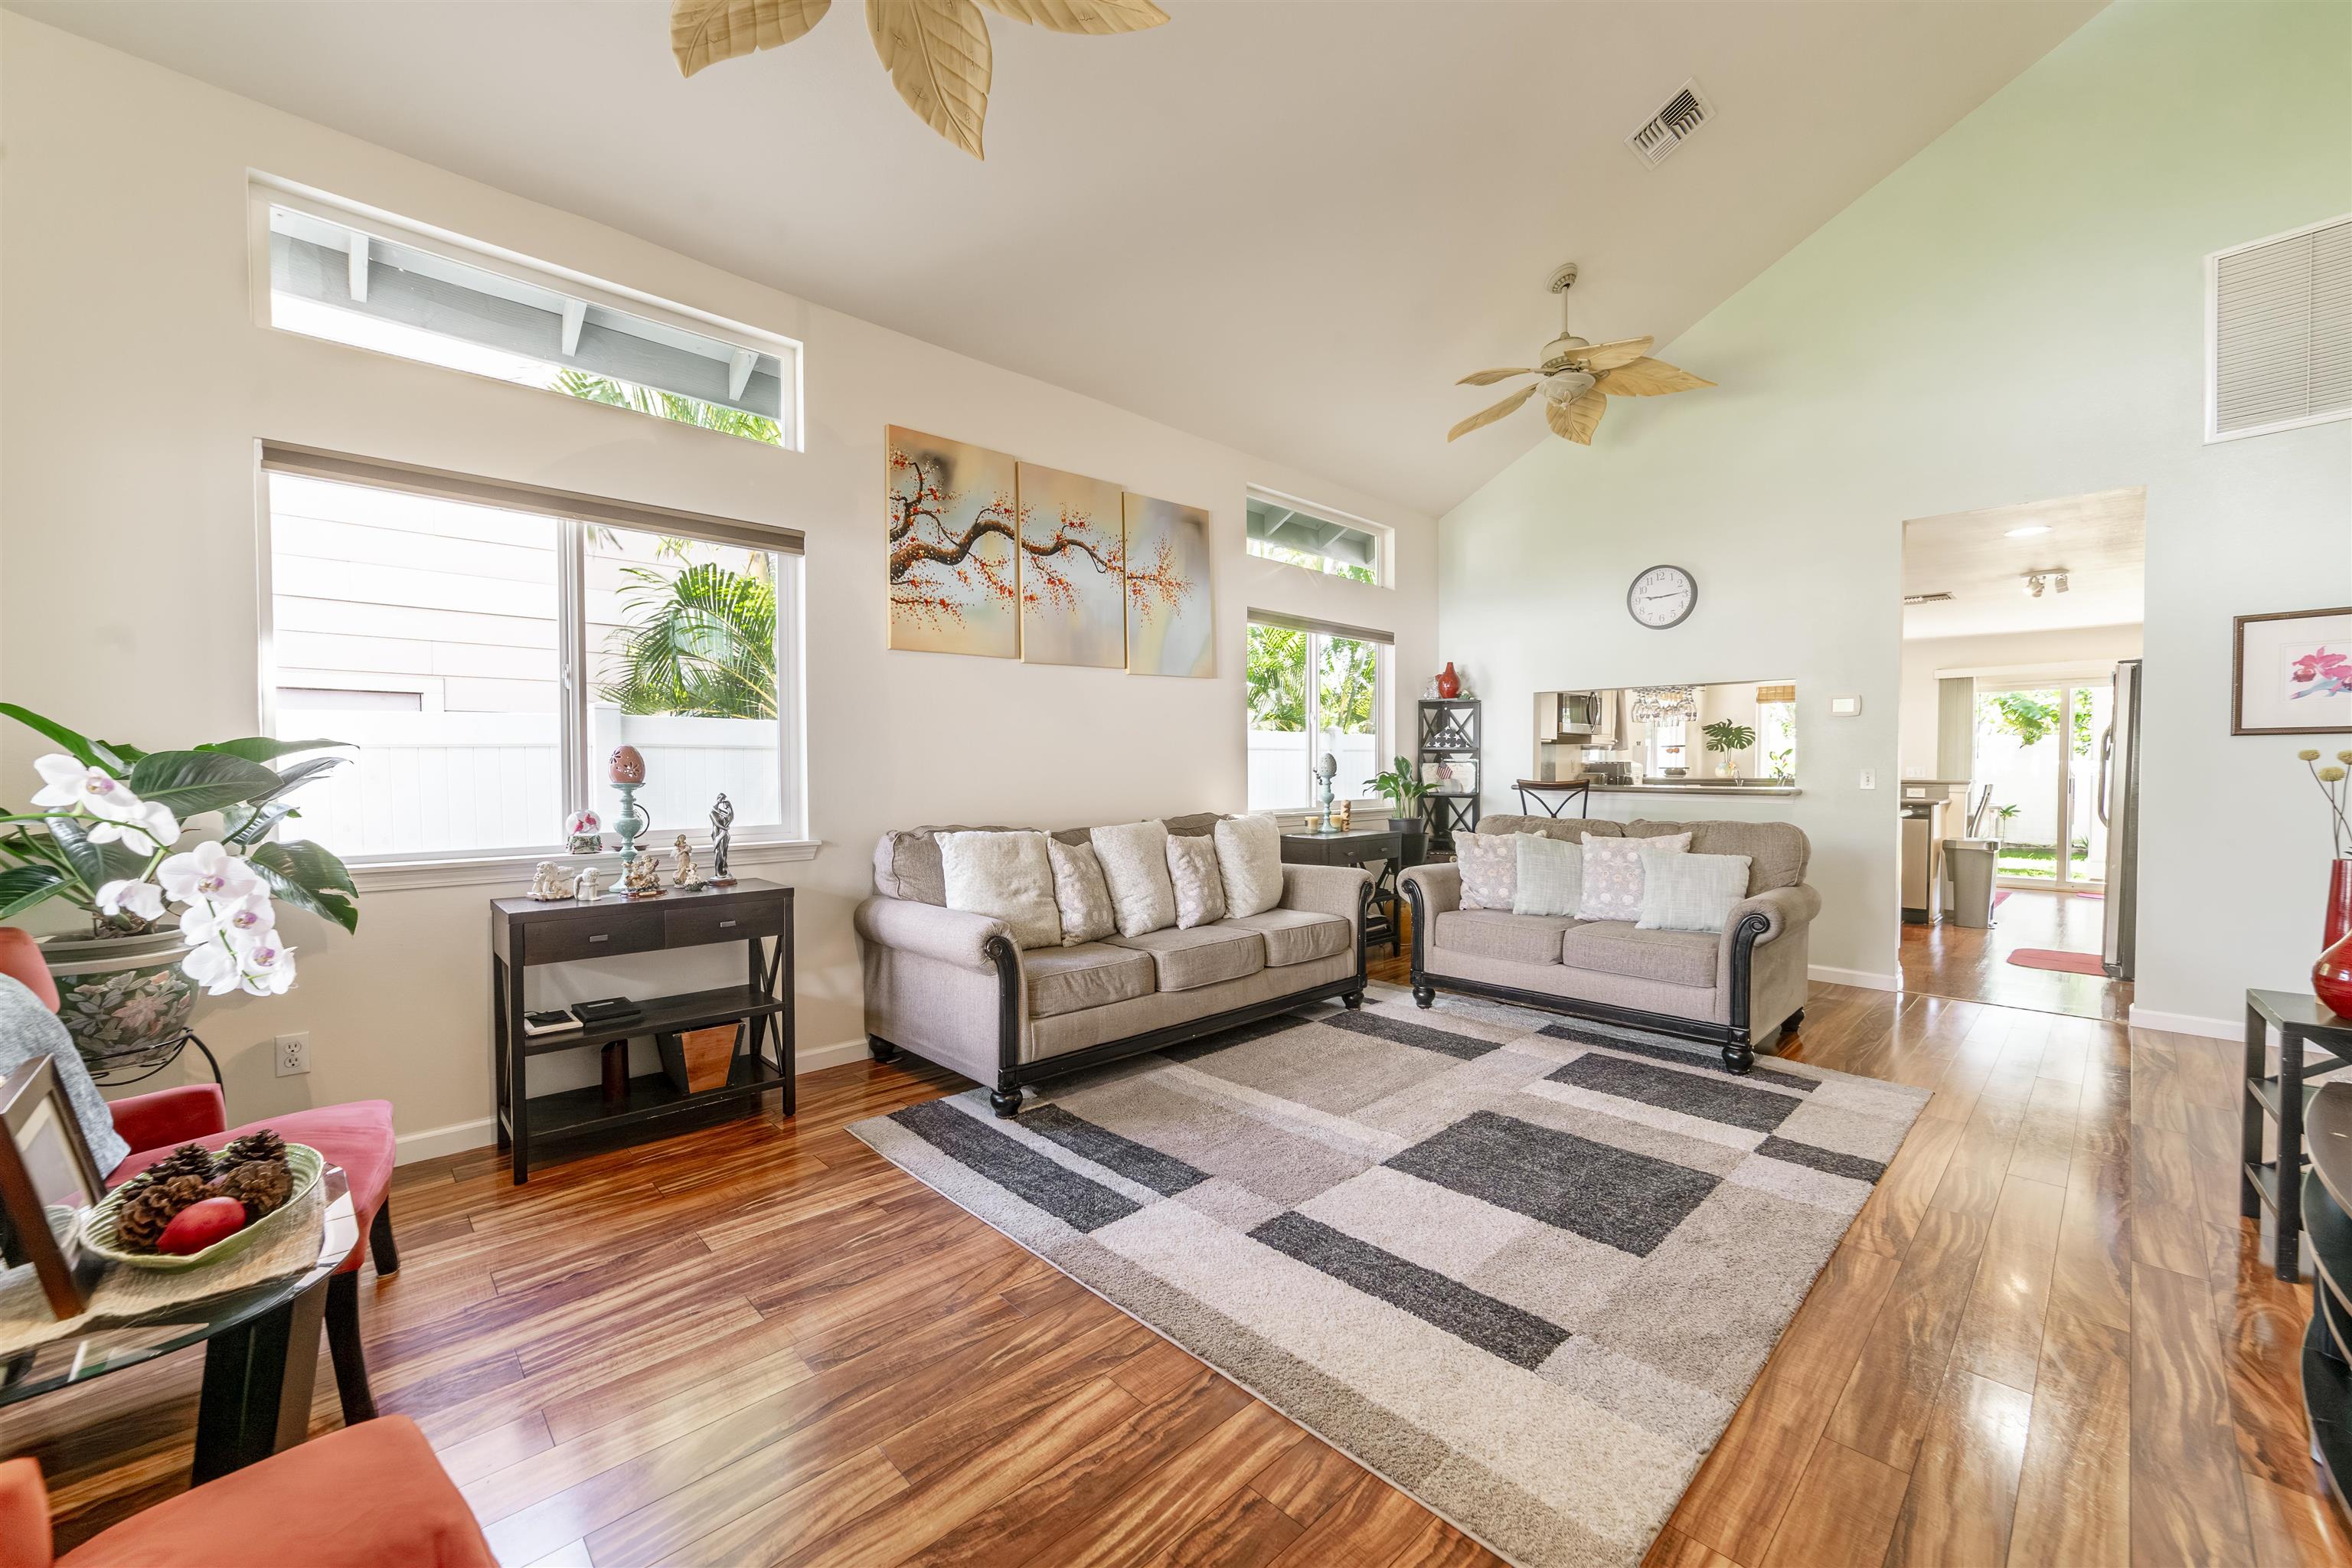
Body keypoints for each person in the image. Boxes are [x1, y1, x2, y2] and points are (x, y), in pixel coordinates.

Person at [710, 793, 734, 882]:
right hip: (718, 835)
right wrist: (725, 828)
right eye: (722, 798)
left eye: (724, 799)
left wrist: (729, 807)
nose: (723, 800)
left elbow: (730, 817)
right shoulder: (712, 812)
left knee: (724, 852)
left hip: (724, 835)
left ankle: (723, 870)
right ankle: (718, 872)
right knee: (718, 852)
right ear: (718, 799)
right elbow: (717, 823)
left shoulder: (720, 811)